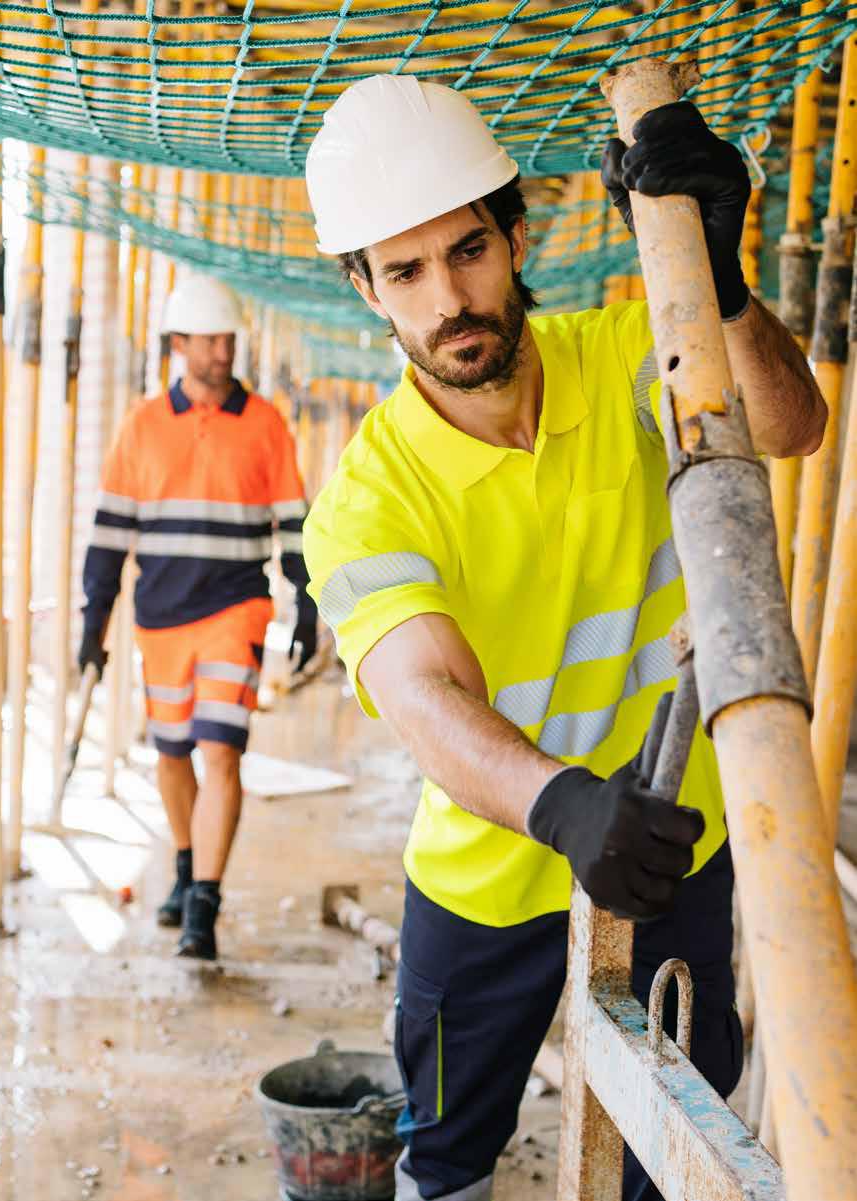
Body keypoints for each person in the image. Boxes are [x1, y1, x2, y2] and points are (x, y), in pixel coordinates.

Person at [302, 76, 826, 1201]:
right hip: (491, 867)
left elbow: (791, 423)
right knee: (445, 1149)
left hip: (666, 834)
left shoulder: (640, 347)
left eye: (469, 249)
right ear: (365, 290)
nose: (450, 297)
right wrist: (558, 801)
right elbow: (421, 690)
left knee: (671, 1143)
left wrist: (723, 292)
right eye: (406, 270)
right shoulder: (365, 499)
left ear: (517, 234)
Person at [79, 274, 318, 961]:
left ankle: (203, 905)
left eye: (228, 338)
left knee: (220, 747)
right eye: (209, 339)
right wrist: (92, 623)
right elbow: (109, 532)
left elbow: (294, 526)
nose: (223, 350)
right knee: (173, 751)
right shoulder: (142, 426)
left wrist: (303, 605)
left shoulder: (266, 422)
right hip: (160, 619)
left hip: (234, 608)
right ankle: (185, 868)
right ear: (178, 343)